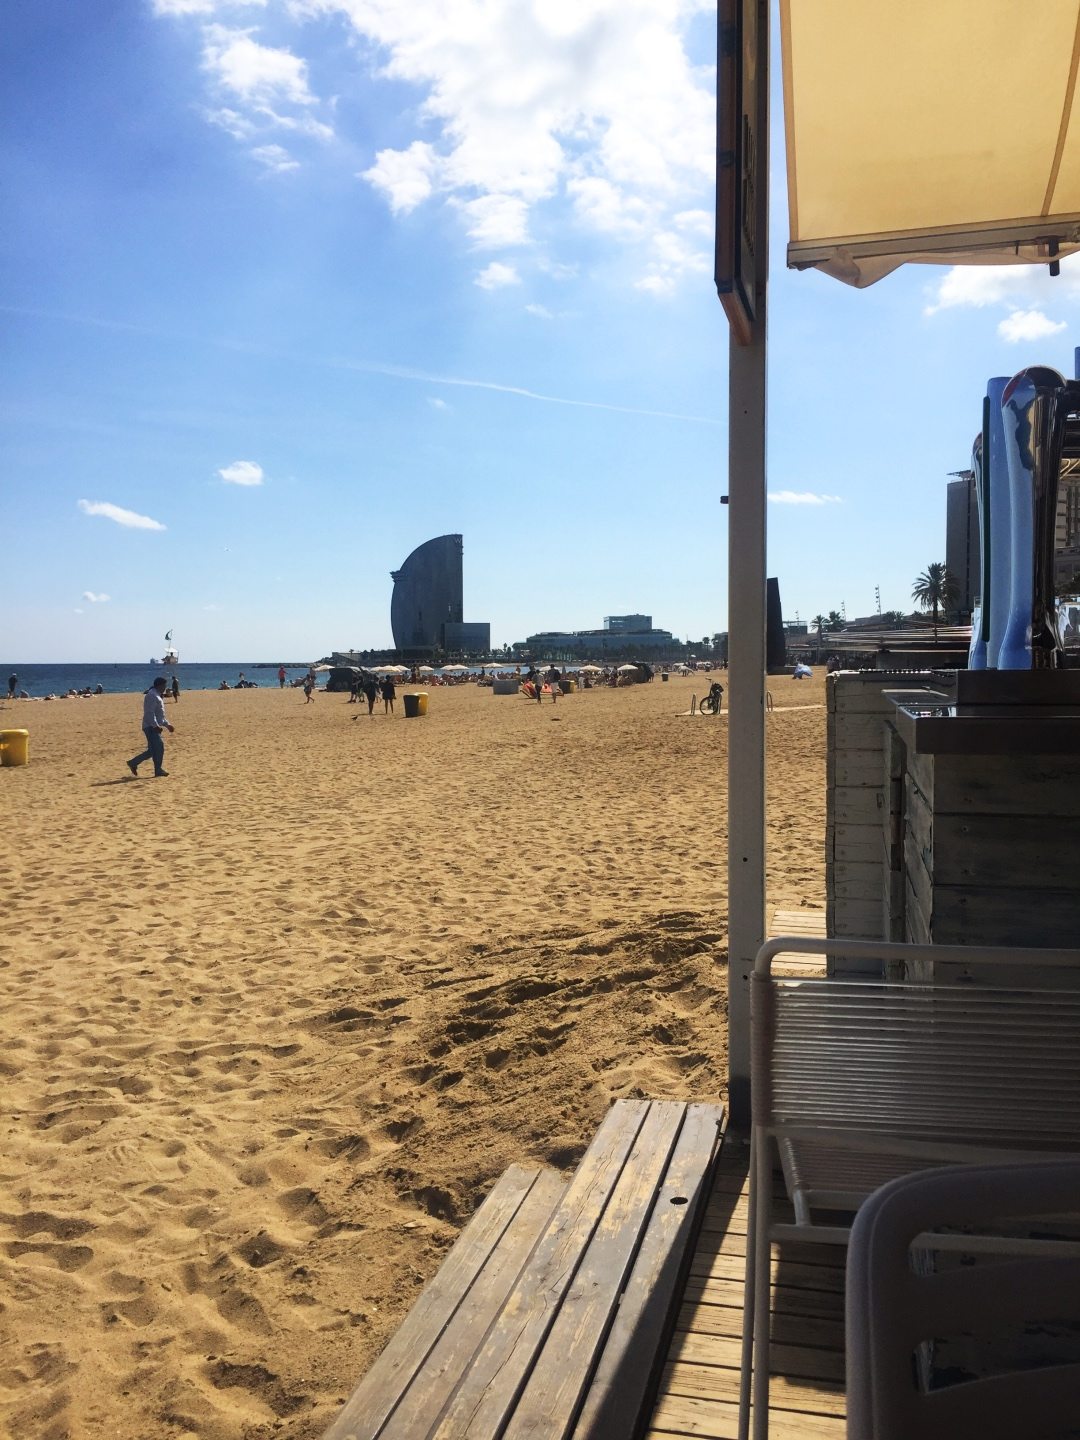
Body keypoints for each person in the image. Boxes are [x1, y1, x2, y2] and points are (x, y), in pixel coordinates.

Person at [127, 677, 174, 778]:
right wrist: (155, 726)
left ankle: (133, 763)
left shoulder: (157, 695)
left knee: (152, 751)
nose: (165, 688)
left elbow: (160, 715)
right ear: (159, 685)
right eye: (164, 686)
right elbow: (149, 713)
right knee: (159, 748)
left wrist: (167, 724)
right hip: (150, 727)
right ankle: (158, 770)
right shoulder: (152, 695)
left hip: (152, 726)